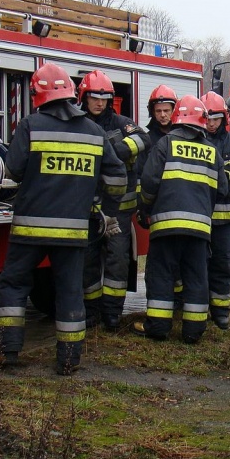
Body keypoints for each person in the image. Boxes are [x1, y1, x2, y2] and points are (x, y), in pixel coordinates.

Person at [0, 63, 127, 375]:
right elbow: (118, 178)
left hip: (29, 228)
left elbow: (11, 171)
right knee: (69, 289)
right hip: (74, 230)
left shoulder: (30, 125)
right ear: (71, 92)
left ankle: (8, 351)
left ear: (37, 94)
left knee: (13, 284)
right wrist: (103, 208)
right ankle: (68, 359)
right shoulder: (94, 132)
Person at [135, 95, 227, 344]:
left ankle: (158, 328)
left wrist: (144, 208)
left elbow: (149, 182)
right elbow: (223, 189)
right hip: (199, 230)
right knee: (196, 277)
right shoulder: (212, 151)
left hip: (166, 226)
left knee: (162, 275)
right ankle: (193, 332)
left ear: (176, 118)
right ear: (201, 121)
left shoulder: (165, 144)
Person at [77, 70, 150, 330]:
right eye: (94, 97)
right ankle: (91, 312)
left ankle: (112, 314)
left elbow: (143, 138)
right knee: (87, 263)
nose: (100, 103)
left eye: (105, 98)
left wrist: (112, 152)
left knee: (118, 263)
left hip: (118, 211)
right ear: (84, 97)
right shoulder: (77, 124)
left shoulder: (122, 123)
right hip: (88, 209)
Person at [200, 92, 230, 330]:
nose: (211, 123)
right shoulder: (195, 139)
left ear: (224, 118)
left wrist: (213, 173)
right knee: (198, 263)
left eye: (216, 118)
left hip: (224, 218)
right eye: (207, 118)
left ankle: (220, 311)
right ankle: (197, 307)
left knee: (223, 263)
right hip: (199, 216)